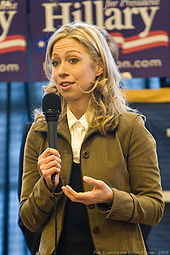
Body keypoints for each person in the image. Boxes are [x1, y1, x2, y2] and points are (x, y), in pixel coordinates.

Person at [19, 22, 164, 255]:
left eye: (73, 60)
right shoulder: (40, 132)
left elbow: (155, 208)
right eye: (55, 62)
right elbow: (28, 219)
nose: (61, 71)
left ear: (98, 66)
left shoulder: (130, 128)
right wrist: (46, 186)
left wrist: (111, 198)